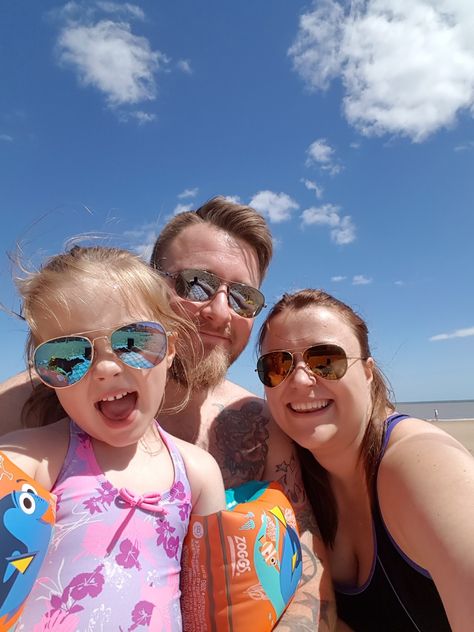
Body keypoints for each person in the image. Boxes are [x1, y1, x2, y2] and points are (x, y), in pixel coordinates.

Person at [0, 198, 336, 630]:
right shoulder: (30, 401)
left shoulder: (259, 426)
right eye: (197, 283)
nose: (219, 312)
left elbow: (304, 562)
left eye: (243, 297)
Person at [1, 245, 226, 630]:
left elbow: (209, 603)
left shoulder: (198, 472)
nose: (106, 368)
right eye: (68, 356)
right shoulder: (41, 458)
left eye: (134, 342)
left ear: (170, 348)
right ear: (46, 373)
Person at [256, 288, 474, 632]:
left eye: (325, 361)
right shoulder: (296, 473)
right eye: (277, 365)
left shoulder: (422, 464)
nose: (298, 380)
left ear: (368, 372)